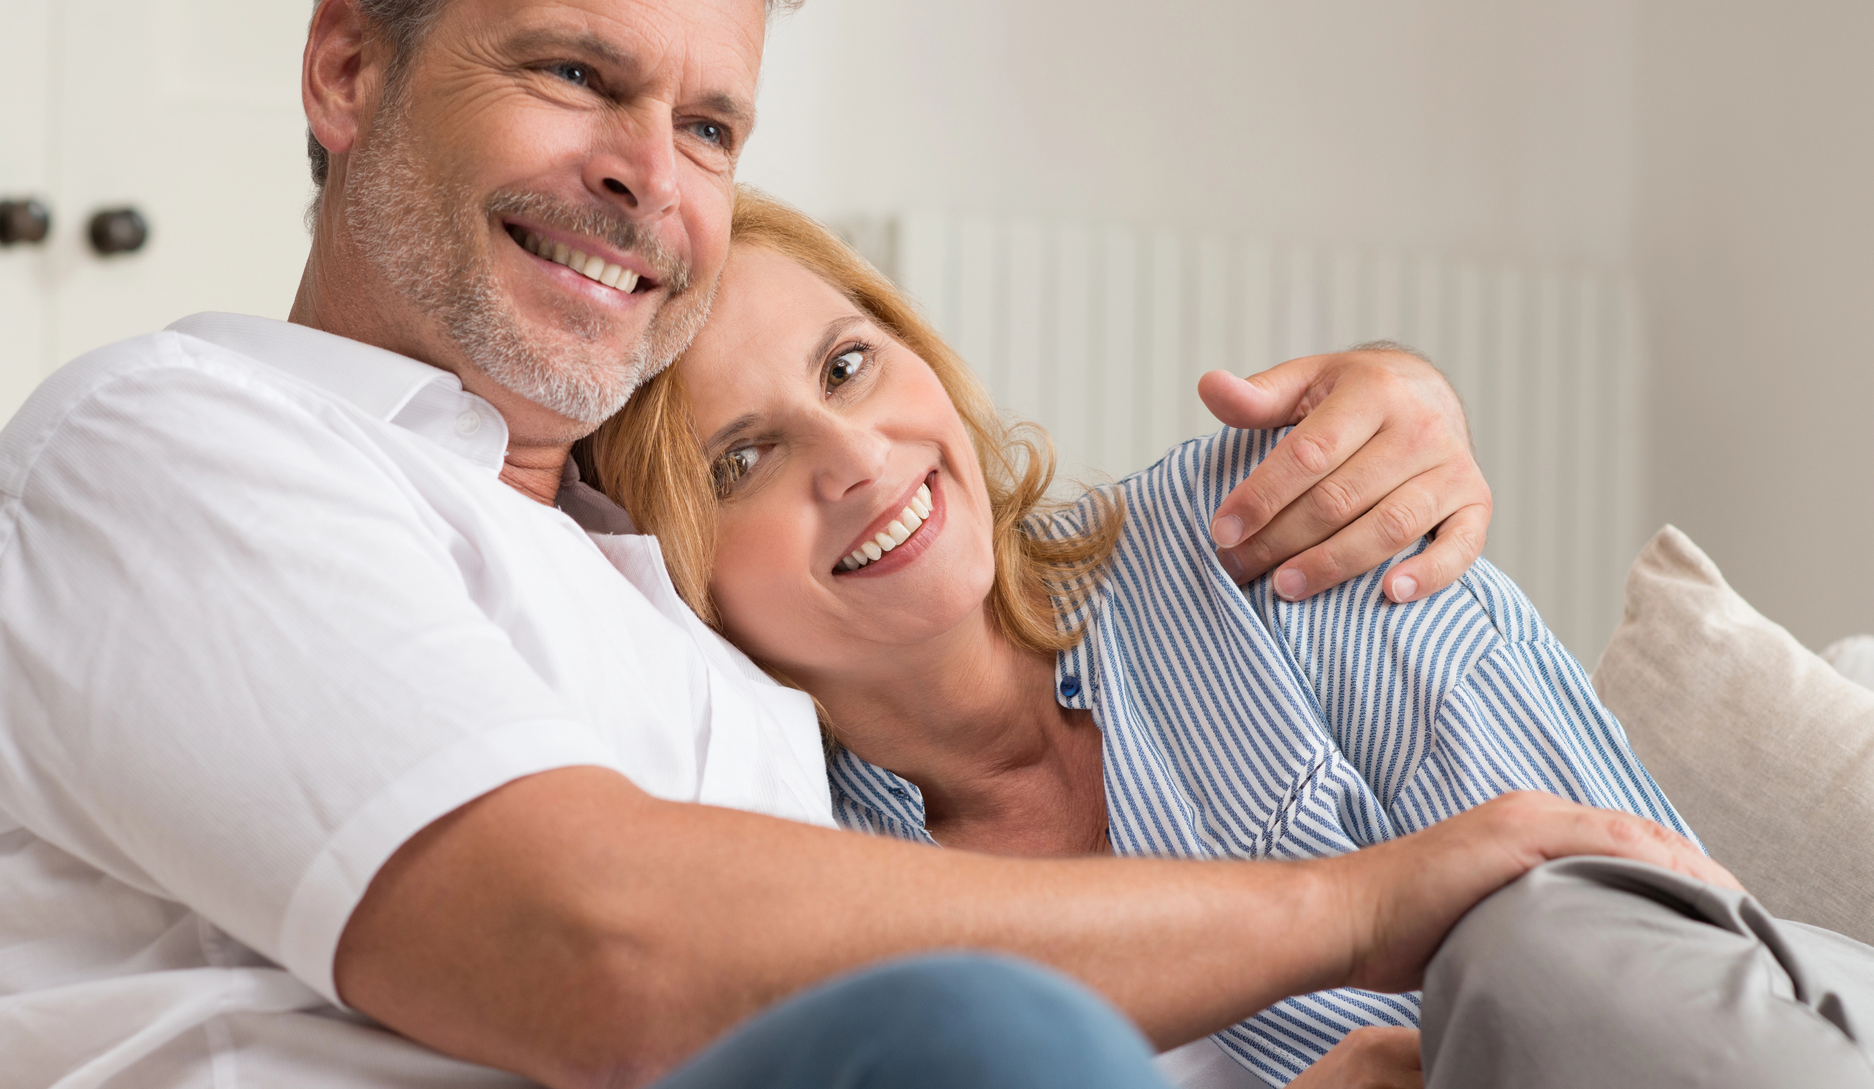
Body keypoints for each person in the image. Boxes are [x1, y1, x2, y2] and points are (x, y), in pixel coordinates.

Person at [0, 0, 1782, 1089]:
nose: (648, 176)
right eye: (573, 73)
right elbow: (602, 955)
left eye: (709, 126)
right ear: (348, 67)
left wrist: (1394, 396)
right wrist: (1355, 906)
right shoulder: (176, 440)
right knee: (991, 1036)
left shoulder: (663, 615)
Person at [583, 191, 1695, 1087]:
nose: (860, 457)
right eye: (740, 460)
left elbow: (1667, 971)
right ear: (676, 574)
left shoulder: (1262, 541)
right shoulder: (790, 845)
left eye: (846, 365)